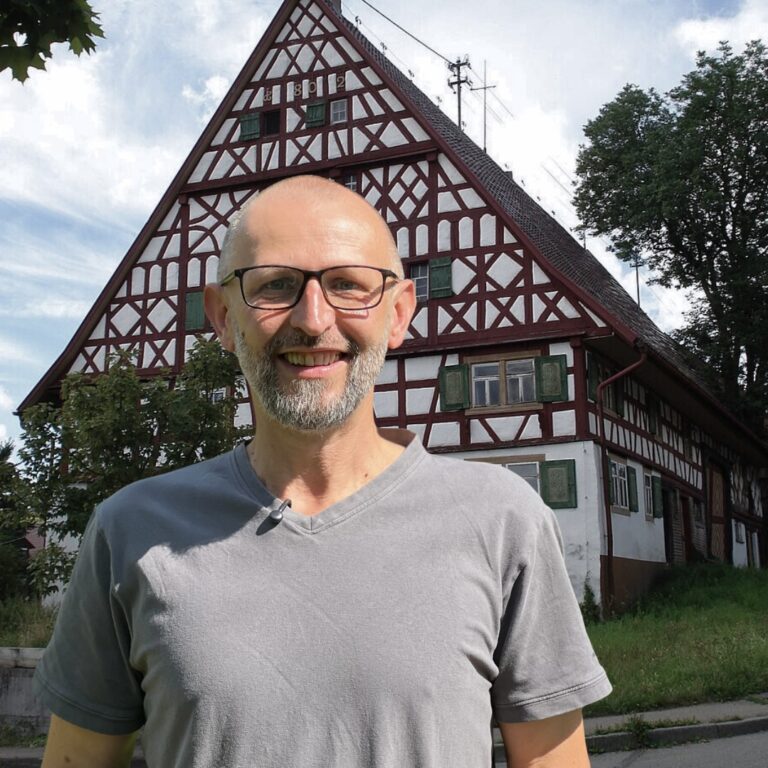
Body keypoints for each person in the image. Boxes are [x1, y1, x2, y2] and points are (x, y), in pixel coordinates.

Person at [35, 175, 611, 768]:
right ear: (223, 316)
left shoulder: (503, 520)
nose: (313, 320)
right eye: (276, 285)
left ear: (398, 314)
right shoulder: (129, 530)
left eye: (348, 285)